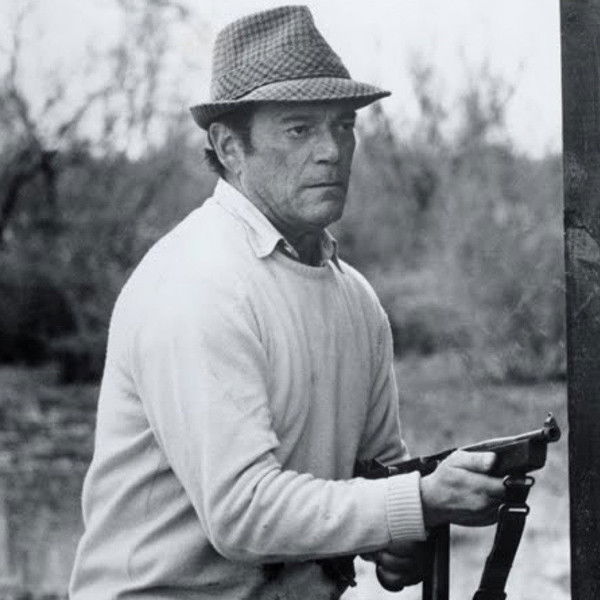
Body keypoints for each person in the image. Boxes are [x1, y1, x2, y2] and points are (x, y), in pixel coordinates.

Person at [69, 6, 505, 599]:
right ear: (229, 147)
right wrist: (417, 501)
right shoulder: (196, 284)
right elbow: (243, 513)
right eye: (299, 130)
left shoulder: (356, 301)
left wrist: (399, 537)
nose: (332, 151)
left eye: (344, 126)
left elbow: (377, 476)